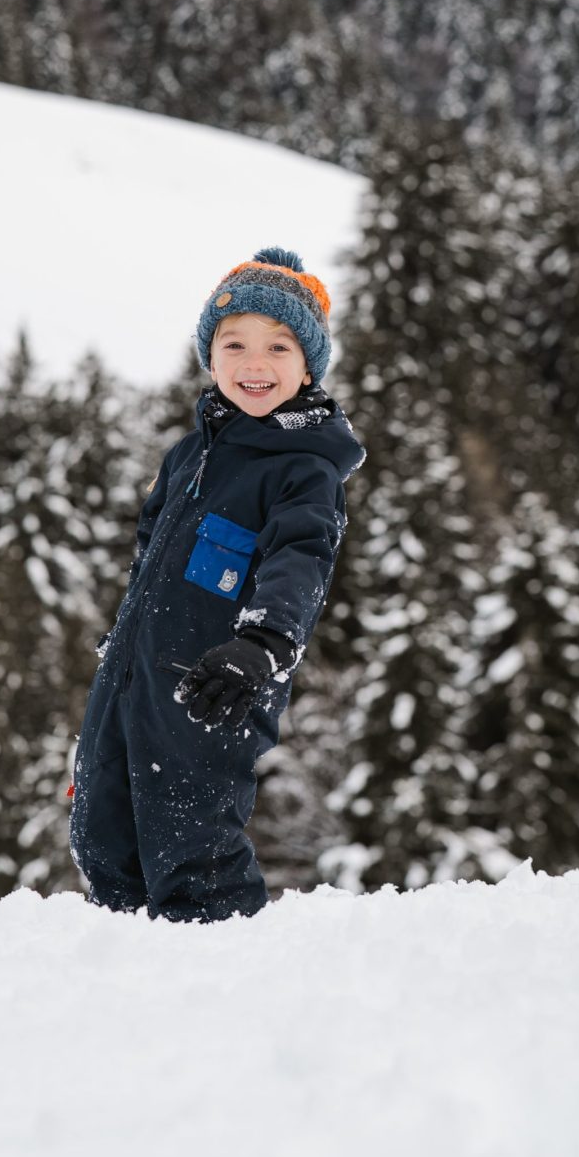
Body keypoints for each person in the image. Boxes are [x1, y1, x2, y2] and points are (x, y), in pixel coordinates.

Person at [69, 247, 366, 921]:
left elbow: (301, 558)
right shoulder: (192, 450)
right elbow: (149, 547)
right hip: (134, 673)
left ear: (308, 365)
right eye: (234, 343)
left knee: (191, 845)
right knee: (102, 828)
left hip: (218, 681)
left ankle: (220, 978)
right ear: (211, 357)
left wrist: (261, 644)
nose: (254, 365)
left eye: (279, 347)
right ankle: (119, 966)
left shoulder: (301, 468)